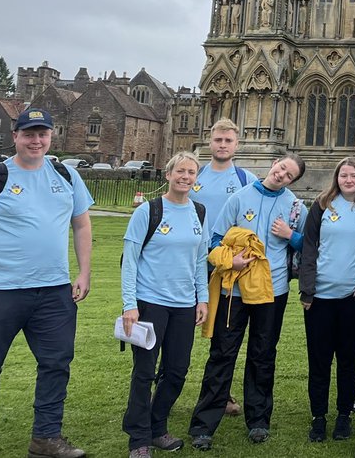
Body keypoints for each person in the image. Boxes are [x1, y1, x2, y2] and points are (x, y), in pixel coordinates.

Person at [0, 107, 94, 458]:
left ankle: (46, 438)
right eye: (29, 134)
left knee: (56, 364)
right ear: (15, 136)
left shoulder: (65, 174)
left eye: (42, 134)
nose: (36, 140)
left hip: (53, 291)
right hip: (0, 291)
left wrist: (83, 273)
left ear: (51, 137)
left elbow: (82, 225)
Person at [188, 153, 307, 448]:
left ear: (293, 181)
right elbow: (215, 239)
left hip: (272, 291)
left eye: (289, 175)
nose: (281, 175)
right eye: (281, 168)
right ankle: (204, 425)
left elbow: (310, 243)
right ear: (275, 163)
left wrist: (290, 235)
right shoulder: (240, 198)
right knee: (222, 354)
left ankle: (258, 420)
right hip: (235, 291)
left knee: (263, 355)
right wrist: (233, 260)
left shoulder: (294, 206)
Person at [121, 152, 211, 458]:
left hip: (185, 305)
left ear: (196, 178)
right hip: (150, 303)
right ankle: (139, 439)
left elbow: (200, 261)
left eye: (191, 173)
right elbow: (130, 262)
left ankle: (157, 427)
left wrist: (203, 299)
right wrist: (129, 304)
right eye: (180, 171)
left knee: (177, 371)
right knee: (144, 372)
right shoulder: (149, 211)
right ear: (168, 175)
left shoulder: (200, 212)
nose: (185, 177)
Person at [300, 157, 355, 443]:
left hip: (353, 299)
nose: (349, 180)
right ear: (336, 178)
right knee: (319, 361)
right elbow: (308, 248)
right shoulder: (321, 206)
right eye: (344, 175)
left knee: (349, 360)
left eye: (354, 176)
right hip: (320, 298)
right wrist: (307, 290)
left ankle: (343, 416)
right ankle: (318, 418)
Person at [191, 118, 258, 420]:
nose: (222, 145)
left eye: (228, 141)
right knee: (175, 328)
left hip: (227, 268)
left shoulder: (246, 179)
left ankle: (221, 394)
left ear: (236, 145)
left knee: (223, 336)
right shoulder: (194, 175)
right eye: (218, 140)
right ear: (210, 141)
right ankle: (162, 385)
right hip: (190, 264)